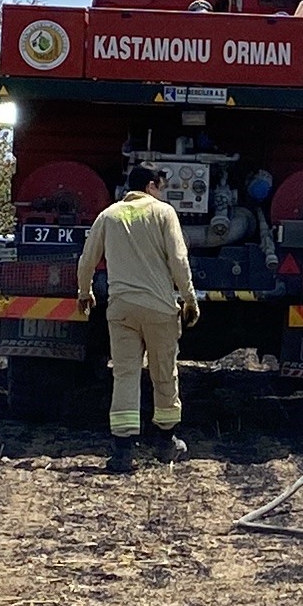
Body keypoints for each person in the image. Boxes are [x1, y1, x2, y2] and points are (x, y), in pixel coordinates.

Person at [84, 159, 201, 469]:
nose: (161, 193)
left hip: (121, 310)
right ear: (150, 186)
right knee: (164, 372)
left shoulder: (109, 215)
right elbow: (179, 260)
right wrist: (189, 298)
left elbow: (87, 260)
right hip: (159, 309)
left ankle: (123, 451)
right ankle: (166, 443)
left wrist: (85, 292)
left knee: (125, 374)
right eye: (160, 187)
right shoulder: (163, 213)